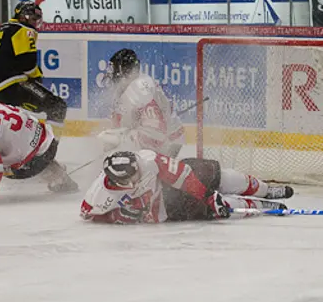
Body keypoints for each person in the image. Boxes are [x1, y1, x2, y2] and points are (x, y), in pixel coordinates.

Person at [95, 48, 293, 197]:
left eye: (114, 70)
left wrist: (122, 138)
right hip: (164, 140)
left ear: (123, 70)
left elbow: (155, 136)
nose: (111, 75)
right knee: (167, 185)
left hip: (164, 144)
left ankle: (255, 189)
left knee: (178, 184)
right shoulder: (134, 87)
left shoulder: (139, 91)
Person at [80, 149, 291, 224]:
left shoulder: (147, 160)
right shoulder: (98, 196)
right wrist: (115, 216)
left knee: (228, 178)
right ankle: (265, 206)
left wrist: (208, 196)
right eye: (132, 177)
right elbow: (89, 215)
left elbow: (183, 177)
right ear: (118, 181)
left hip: (175, 182)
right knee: (224, 207)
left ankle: (265, 189)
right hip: (168, 207)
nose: (138, 177)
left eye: (137, 171)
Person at [0, 0, 67, 136]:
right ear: (22, 16)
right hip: (11, 85)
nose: (35, 22)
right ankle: (47, 154)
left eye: (37, 19)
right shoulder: (24, 30)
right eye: (33, 18)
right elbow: (28, 64)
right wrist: (36, 76)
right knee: (56, 107)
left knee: (5, 123)